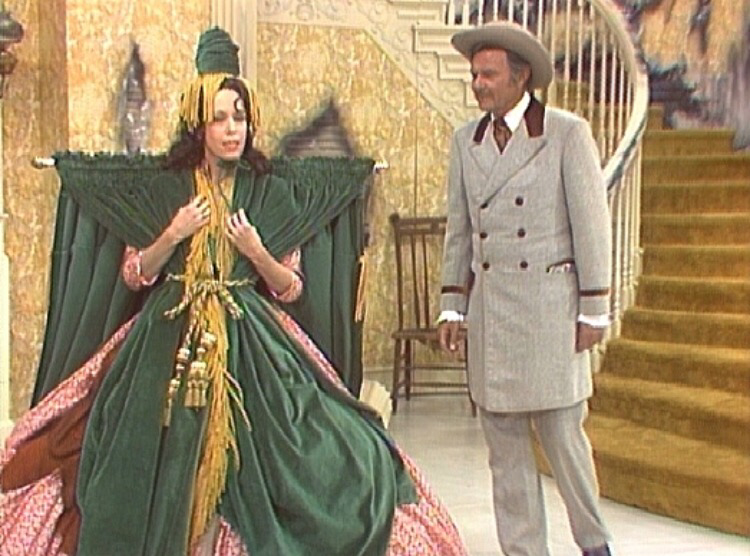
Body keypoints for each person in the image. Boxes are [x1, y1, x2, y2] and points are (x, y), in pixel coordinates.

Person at [0, 28, 467, 556]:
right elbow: (134, 275)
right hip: (166, 331)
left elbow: (290, 288)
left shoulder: (266, 191)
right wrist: (172, 234)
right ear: (199, 125)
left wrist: (257, 251)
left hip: (252, 333)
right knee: (124, 437)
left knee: (320, 443)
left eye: (239, 118)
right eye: (219, 118)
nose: (231, 130)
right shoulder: (167, 187)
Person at [437, 21, 613, 556]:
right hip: (493, 319)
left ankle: (594, 544)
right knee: (505, 455)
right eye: (475, 75)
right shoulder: (465, 141)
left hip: (550, 315)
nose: (478, 84)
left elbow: (592, 224)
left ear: (521, 78)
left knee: (565, 443)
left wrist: (594, 309)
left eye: (488, 75)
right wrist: (452, 306)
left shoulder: (565, 134)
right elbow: (459, 229)